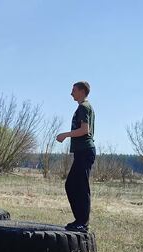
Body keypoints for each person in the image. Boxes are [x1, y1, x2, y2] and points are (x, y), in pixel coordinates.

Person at [56, 81, 96, 233]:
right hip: (82, 152)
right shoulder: (83, 107)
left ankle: (83, 223)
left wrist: (65, 135)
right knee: (72, 185)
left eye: (73, 90)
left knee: (80, 186)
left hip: (85, 151)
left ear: (81, 91)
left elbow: (85, 130)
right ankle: (79, 220)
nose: (71, 93)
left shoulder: (84, 107)